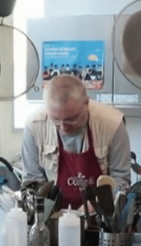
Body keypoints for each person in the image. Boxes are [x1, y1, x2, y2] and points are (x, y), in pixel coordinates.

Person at [21, 74, 131, 210]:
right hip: (55, 218)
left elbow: (121, 181)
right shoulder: (35, 125)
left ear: (86, 103)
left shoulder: (112, 124)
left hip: (103, 222)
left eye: (71, 119)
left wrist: (94, 207)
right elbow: (33, 182)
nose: (63, 127)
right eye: (55, 120)